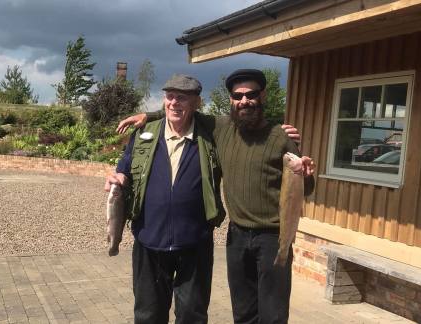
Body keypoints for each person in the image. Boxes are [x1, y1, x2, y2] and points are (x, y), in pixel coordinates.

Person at [117, 69, 315, 324]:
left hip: (272, 237)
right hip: (237, 237)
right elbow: (179, 110)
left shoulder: (280, 136)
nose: (244, 101)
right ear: (231, 99)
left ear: (262, 96)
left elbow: (303, 189)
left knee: (273, 313)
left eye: (251, 94)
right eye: (238, 95)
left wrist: (306, 175)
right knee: (243, 312)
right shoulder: (221, 128)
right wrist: (149, 115)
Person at [105, 74, 225, 324]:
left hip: (195, 244)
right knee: (148, 315)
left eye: (182, 97)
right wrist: (117, 177)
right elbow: (124, 167)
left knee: (192, 315)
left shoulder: (210, 135)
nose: (174, 103)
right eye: (170, 96)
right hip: (149, 241)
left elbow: (241, 127)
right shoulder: (144, 134)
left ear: (197, 103)